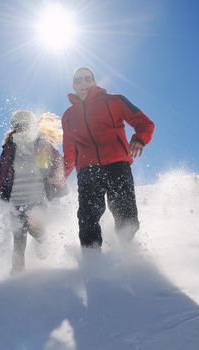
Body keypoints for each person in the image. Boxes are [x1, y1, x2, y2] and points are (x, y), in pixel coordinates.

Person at [61, 67, 155, 249]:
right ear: (73, 85)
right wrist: (62, 174)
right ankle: (92, 263)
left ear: (94, 82)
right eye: (78, 80)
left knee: (126, 216)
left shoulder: (114, 101)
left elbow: (145, 123)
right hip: (88, 172)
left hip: (117, 165)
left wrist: (139, 139)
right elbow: (70, 149)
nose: (83, 83)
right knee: (88, 218)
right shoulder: (68, 116)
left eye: (87, 79)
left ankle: (127, 253)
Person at [0, 110, 67, 273]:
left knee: (34, 227)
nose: (22, 128)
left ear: (32, 125)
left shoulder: (41, 143)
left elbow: (56, 161)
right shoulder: (9, 147)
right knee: (19, 238)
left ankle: (42, 239)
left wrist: (55, 181)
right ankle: (17, 273)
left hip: (36, 197)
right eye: (18, 125)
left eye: (25, 125)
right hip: (15, 199)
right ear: (14, 127)